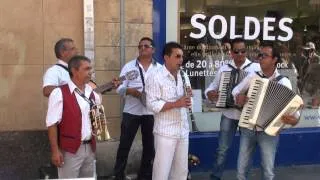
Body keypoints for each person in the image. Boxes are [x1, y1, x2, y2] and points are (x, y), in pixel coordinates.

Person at [232, 43, 299, 180]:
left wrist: (293, 120)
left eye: (265, 56)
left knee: (268, 171)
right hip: (248, 128)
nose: (260, 58)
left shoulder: (283, 82)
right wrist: (239, 97)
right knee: (241, 170)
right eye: (260, 55)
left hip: (268, 133)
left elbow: (294, 112)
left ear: (274, 60)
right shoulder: (253, 77)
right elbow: (235, 91)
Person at [205, 38, 261, 180]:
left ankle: (244, 177)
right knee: (222, 149)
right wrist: (210, 94)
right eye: (237, 51)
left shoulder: (255, 68)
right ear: (231, 53)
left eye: (243, 51)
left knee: (246, 151)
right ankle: (215, 176)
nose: (241, 54)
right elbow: (212, 87)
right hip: (229, 114)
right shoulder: (224, 69)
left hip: (247, 116)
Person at [113, 37, 161, 180]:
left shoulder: (159, 69)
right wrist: (129, 91)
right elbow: (118, 87)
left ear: (153, 50)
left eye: (146, 46)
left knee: (149, 147)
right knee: (124, 145)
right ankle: (119, 175)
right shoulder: (129, 67)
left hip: (150, 113)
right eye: (140, 46)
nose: (142, 48)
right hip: (131, 112)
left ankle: (144, 176)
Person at [46, 55, 101, 178]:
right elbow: (51, 124)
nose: (90, 72)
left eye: (90, 68)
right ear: (74, 71)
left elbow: (96, 118)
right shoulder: (59, 93)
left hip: (90, 148)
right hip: (69, 150)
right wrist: (55, 151)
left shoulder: (93, 93)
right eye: (87, 69)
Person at [145, 41, 191, 180]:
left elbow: (187, 102)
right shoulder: (155, 76)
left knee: (181, 172)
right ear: (166, 57)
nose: (181, 60)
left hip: (182, 130)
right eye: (177, 56)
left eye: (182, 57)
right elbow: (151, 104)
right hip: (165, 132)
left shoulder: (183, 74)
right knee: (161, 172)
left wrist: (188, 98)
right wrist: (177, 103)